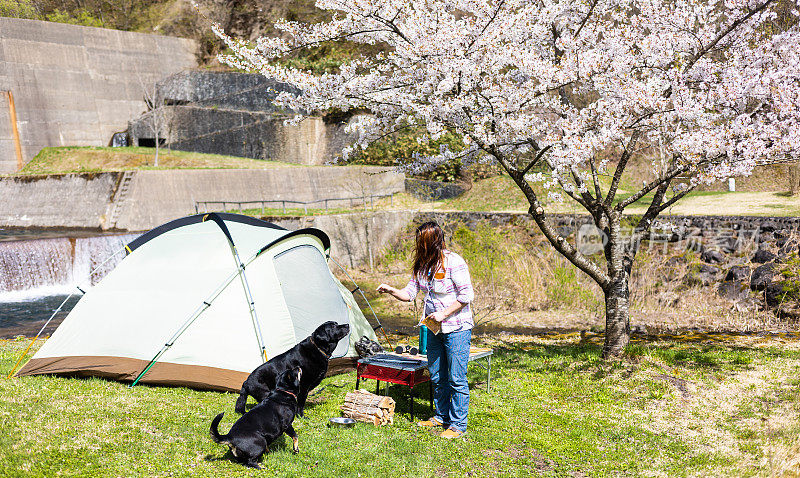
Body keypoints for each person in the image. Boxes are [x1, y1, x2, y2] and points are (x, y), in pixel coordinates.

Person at [377, 221, 474, 439]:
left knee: (456, 377)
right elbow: (410, 293)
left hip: (456, 327)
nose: (418, 244)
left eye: (421, 240)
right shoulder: (422, 265)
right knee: (438, 375)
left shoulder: (453, 262)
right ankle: (441, 417)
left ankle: (458, 425)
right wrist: (392, 290)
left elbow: (467, 296)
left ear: (432, 241)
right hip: (434, 329)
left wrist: (444, 313)